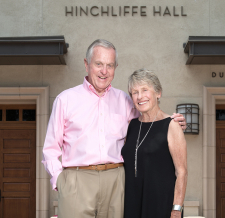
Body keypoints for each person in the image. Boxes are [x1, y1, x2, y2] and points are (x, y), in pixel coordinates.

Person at [42, 39, 186, 218]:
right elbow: (50, 148)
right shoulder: (65, 100)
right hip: (77, 181)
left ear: (115, 67)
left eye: (110, 65)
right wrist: (60, 181)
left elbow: (148, 122)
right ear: (86, 64)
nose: (104, 71)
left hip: (117, 181)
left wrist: (173, 122)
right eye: (99, 64)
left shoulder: (125, 100)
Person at [122, 69, 188, 218]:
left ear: (158, 93)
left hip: (161, 207)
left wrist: (176, 210)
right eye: (135, 92)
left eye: (145, 90)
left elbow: (181, 172)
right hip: (131, 205)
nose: (140, 96)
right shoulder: (131, 126)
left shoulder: (171, 126)